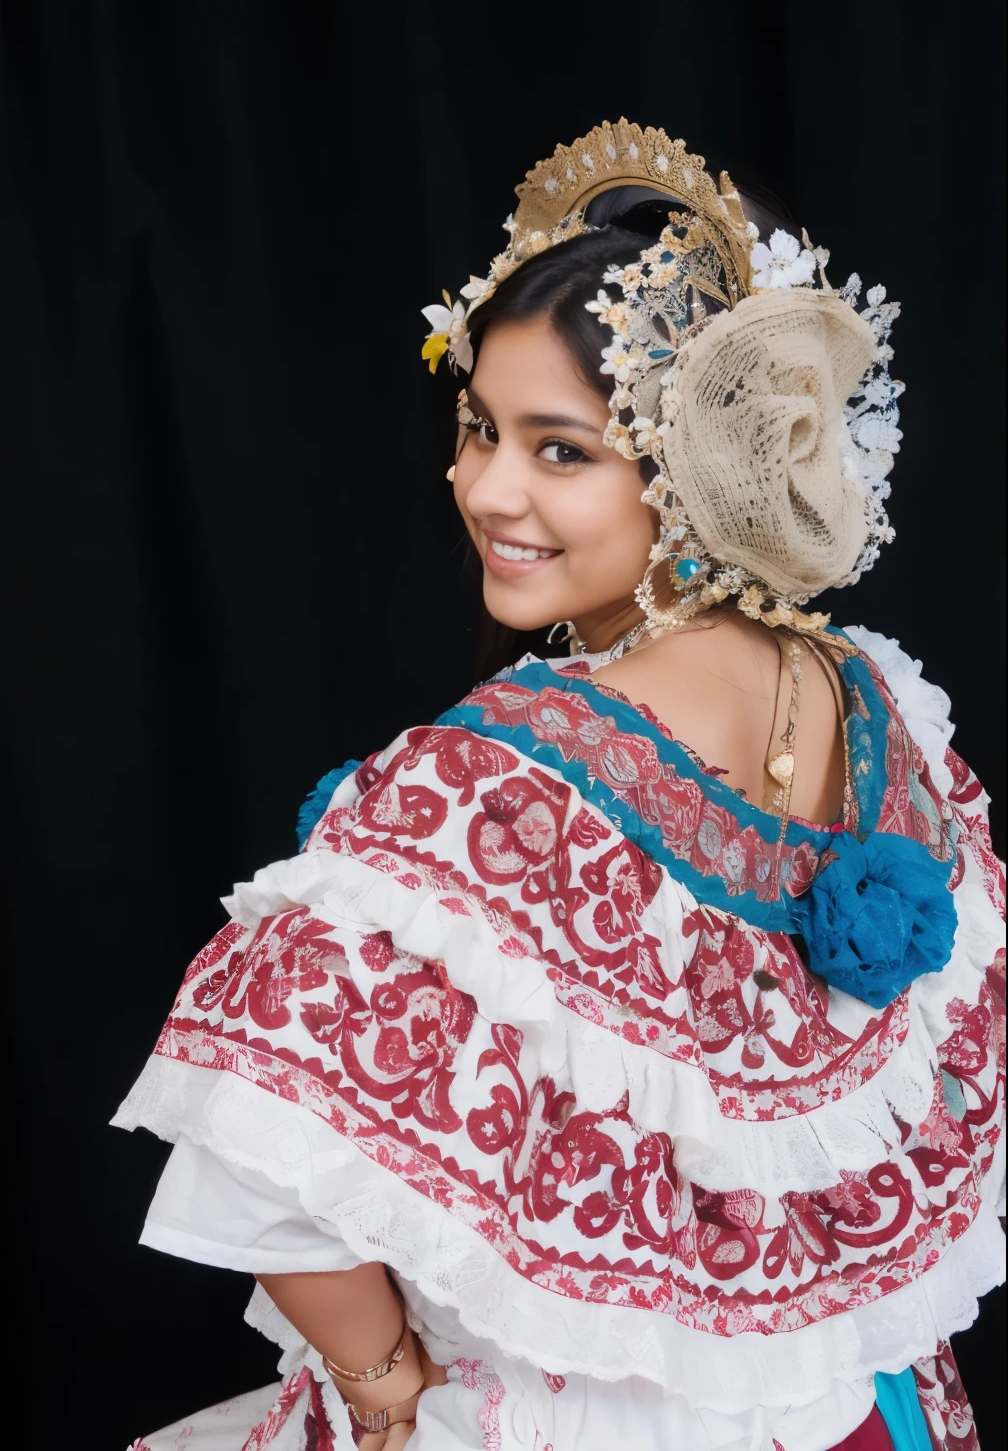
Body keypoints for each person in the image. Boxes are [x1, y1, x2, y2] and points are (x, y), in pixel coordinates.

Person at [118, 119, 1005, 1451]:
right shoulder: (867, 699)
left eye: (561, 449)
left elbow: (254, 1167)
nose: (482, 486)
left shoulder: (502, 780)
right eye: (479, 427)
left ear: (697, 469)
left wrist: (387, 1400)